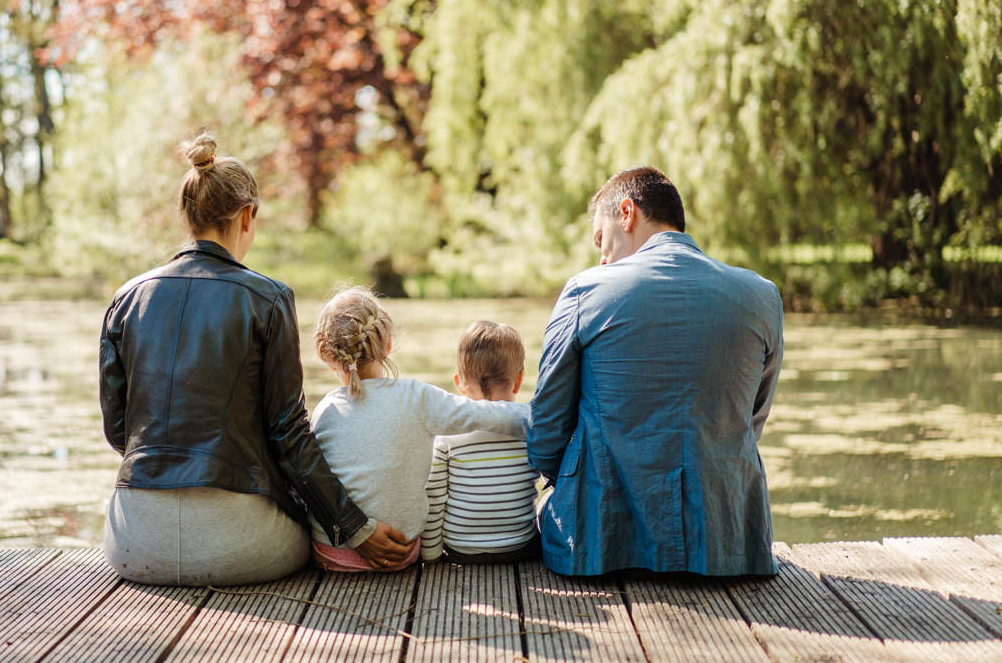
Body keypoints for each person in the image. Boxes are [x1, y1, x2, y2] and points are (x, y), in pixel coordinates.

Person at [99, 130, 411, 586]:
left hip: (133, 543)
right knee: (311, 528)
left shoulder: (126, 298)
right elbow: (289, 434)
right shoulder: (268, 298)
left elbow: (118, 431)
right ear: (248, 216)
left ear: (187, 216)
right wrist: (356, 528)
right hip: (236, 547)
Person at [528, 167, 784, 577]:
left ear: (626, 213)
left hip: (600, 547)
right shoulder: (762, 295)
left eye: (601, 239)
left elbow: (546, 431)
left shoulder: (586, 291)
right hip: (728, 549)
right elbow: (750, 421)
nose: (602, 257)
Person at [307, 288, 530, 572]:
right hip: (402, 552)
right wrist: (545, 414)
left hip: (333, 555)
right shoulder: (417, 397)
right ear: (388, 344)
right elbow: (484, 414)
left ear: (326, 354)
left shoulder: (325, 410)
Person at [421, 321, 541, 564]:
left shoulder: (447, 433)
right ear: (519, 381)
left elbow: (434, 495)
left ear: (458, 382)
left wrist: (431, 554)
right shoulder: (532, 426)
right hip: (519, 545)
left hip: (461, 549)